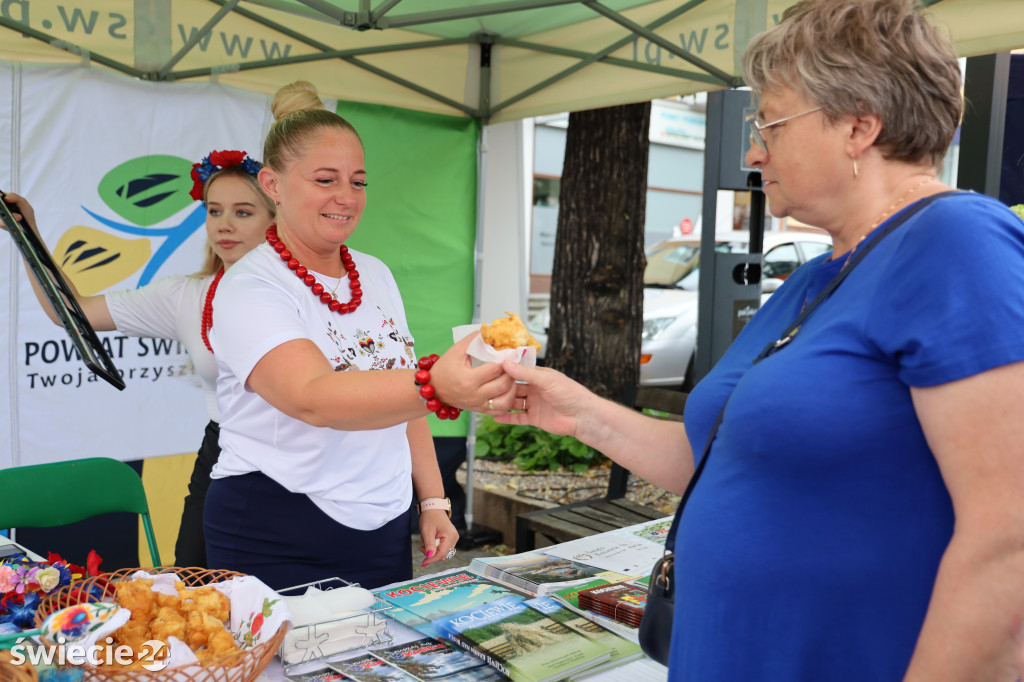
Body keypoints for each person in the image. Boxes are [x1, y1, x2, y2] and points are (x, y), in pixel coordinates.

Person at [496, 0, 1024, 678]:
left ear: (859, 126)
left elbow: (1008, 538)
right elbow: (729, 458)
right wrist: (574, 411)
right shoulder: (815, 279)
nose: (753, 150)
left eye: (769, 122)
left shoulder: (955, 243)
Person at [205, 81, 515, 591]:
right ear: (273, 185)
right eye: (326, 180)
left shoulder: (374, 273)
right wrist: (438, 385)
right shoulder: (247, 287)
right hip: (276, 525)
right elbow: (313, 398)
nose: (346, 198)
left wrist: (432, 500)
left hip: (382, 525)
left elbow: (402, 393)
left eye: (359, 181)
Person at [2, 149, 276, 568]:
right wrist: (27, 233)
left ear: (276, 219)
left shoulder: (304, 292)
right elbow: (70, 312)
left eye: (243, 212)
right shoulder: (186, 294)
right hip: (223, 453)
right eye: (214, 210)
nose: (224, 224)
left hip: (293, 455)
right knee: (195, 577)